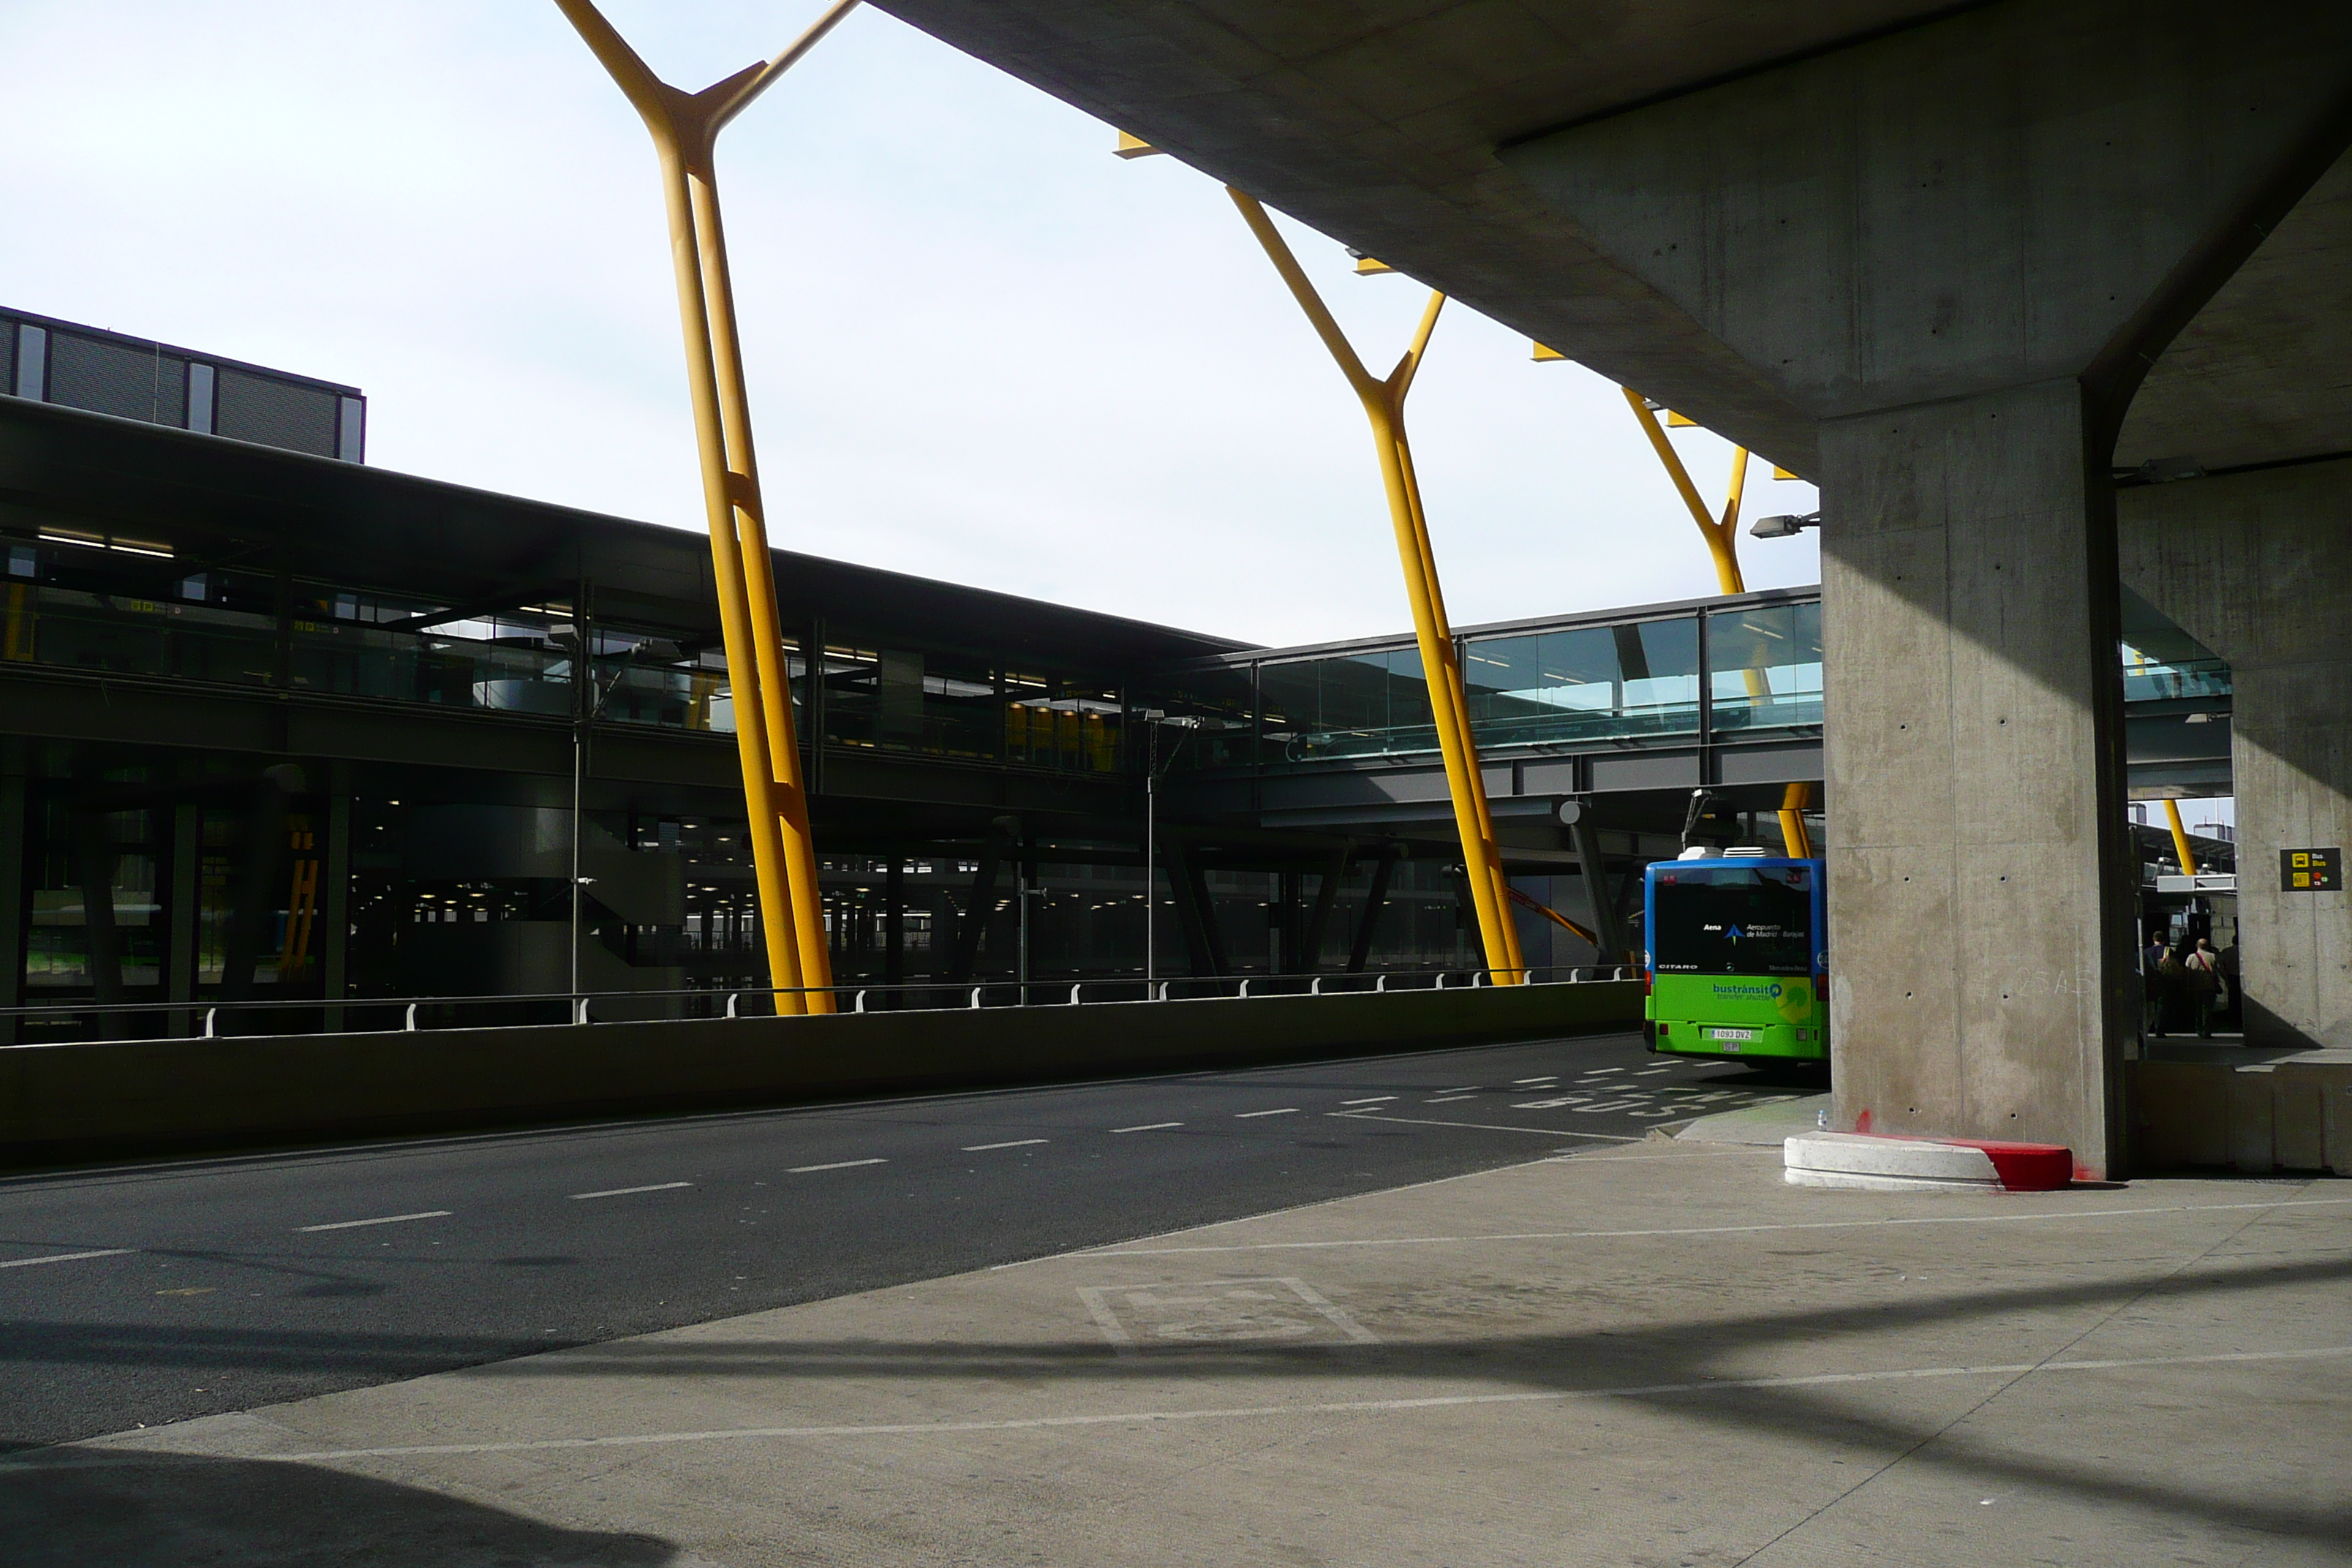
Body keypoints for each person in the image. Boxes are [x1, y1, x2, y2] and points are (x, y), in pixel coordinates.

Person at [2182, 936, 2223, 1039]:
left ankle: (2199, 1029)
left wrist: (2187, 985)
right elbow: (2220, 970)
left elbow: (2187, 973)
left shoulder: (2191, 957)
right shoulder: (2213, 956)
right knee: (2208, 1010)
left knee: (2198, 1009)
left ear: (2197, 946)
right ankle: (2207, 1031)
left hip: (2196, 987)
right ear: (2208, 946)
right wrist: (2226, 981)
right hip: (2210, 987)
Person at [2142, 932, 2170, 1037]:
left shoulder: (2145, 952)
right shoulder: (2168, 951)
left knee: (2148, 1006)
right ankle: (2160, 1030)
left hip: (2149, 981)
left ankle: (2146, 1028)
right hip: (2164, 981)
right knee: (2162, 1006)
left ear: (2153, 939)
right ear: (2164, 940)